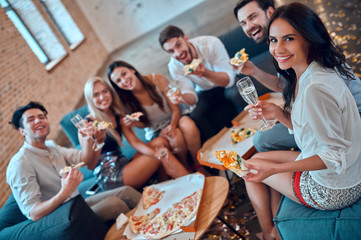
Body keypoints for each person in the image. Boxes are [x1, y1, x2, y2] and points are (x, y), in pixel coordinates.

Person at [242, 3, 361, 239]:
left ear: (308, 38)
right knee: (255, 160)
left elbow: (332, 156)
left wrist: (276, 169)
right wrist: (278, 113)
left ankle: (269, 233)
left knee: (249, 167)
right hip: (349, 171)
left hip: (335, 189)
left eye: (288, 39)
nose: (278, 49)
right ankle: (275, 229)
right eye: (273, 40)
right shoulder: (313, 71)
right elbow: (313, 133)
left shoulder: (314, 89)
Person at [233, 0, 361, 152]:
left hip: (350, 121)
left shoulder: (312, 66)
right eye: (243, 23)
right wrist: (254, 71)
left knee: (262, 141)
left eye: (252, 17)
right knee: (262, 143)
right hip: (324, 119)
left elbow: (329, 135)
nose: (249, 26)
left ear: (269, 12)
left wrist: (283, 115)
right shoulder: (280, 51)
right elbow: (286, 86)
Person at [6, 101, 141, 222]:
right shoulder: (20, 163)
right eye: (31, 119)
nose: (38, 121)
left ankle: (155, 221)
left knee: (126, 192)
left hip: (76, 203)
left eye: (41, 117)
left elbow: (85, 160)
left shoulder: (52, 146)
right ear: (22, 130)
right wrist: (65, 192)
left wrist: (93, 141)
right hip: (61, 218)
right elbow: (33, 213)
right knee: (114, 205)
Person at [84, 76, 189, 189]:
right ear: (90, 99)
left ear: (110, 92)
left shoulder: (117, 116)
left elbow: (135, 142)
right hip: (111, 176)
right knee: (160, 153)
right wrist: (155, 153)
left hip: (122, 163)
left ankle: (165, 183)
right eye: (96, 95)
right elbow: (88, 163)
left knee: (160, 141)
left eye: (105, 91)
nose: (102, 97)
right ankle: (191, 183)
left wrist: (153, 152)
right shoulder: (89, 123)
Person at [106, 61, 207, 174]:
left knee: (188, 126)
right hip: (156, 130)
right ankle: (186, 167)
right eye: (118, 81)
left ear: (132, 70)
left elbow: (175, 109)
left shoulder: (157, 79)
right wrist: (134, 123)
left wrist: (172, 126)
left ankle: (199, 164)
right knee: (176, 138)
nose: (124, 81)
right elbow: (146, 124)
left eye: (124, 74)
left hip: (176, 117)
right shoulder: (125, 102)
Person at [159, 25, 238, 142]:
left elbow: (227, 80)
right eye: (171, 51)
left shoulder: (211, 44)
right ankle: (216, 148)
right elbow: (191, 97)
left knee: (235, 93)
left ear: (186, 39)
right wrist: (180, 97)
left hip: (228, 83)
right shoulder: (174, 66)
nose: (178, 53)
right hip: (204, 90)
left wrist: (205, 73)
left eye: (179, 45)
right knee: (196, 113)